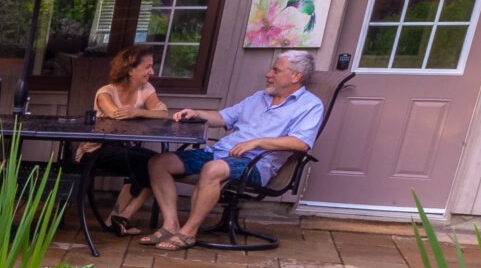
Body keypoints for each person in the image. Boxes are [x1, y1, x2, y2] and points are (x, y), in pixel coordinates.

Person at [142, 50, 324, 251]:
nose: (268, 74)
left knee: (213, 169)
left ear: (296, 76)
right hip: (220, 153)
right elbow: (222, 117)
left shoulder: (310, 105)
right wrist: (196, 113)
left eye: (275, 70)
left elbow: (301, 143)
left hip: (255, 164)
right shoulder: (259, 97)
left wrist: (258, 142)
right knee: (159, 163)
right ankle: (170, 225)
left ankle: (189, 232)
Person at [74, 44, 168, 235]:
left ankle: (120, 218)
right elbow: (115, 114)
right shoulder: (105, 92)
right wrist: (142, 113)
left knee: (159, 163)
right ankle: (117, 219)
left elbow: (163, 113)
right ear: (131, 69)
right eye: (147, 67)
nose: (152, 71)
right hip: (96, 150)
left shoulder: (146, 89)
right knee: (148, 164)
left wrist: (137, 111)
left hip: (123, 149)